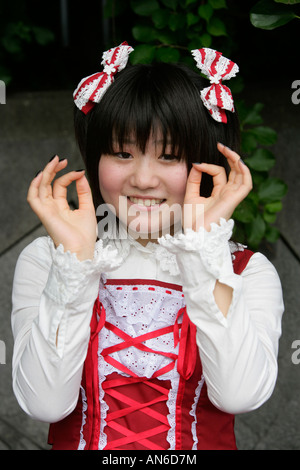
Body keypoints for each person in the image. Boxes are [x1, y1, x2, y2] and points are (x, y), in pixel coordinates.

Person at [11, 42, 284, 450]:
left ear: (208, 162)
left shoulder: (245, 270)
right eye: (121, 152)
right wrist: (76, 263)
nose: (142, 178)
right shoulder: (48, 261)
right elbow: (44, 404)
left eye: (169, 156)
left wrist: (203, 254)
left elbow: (239, 394)